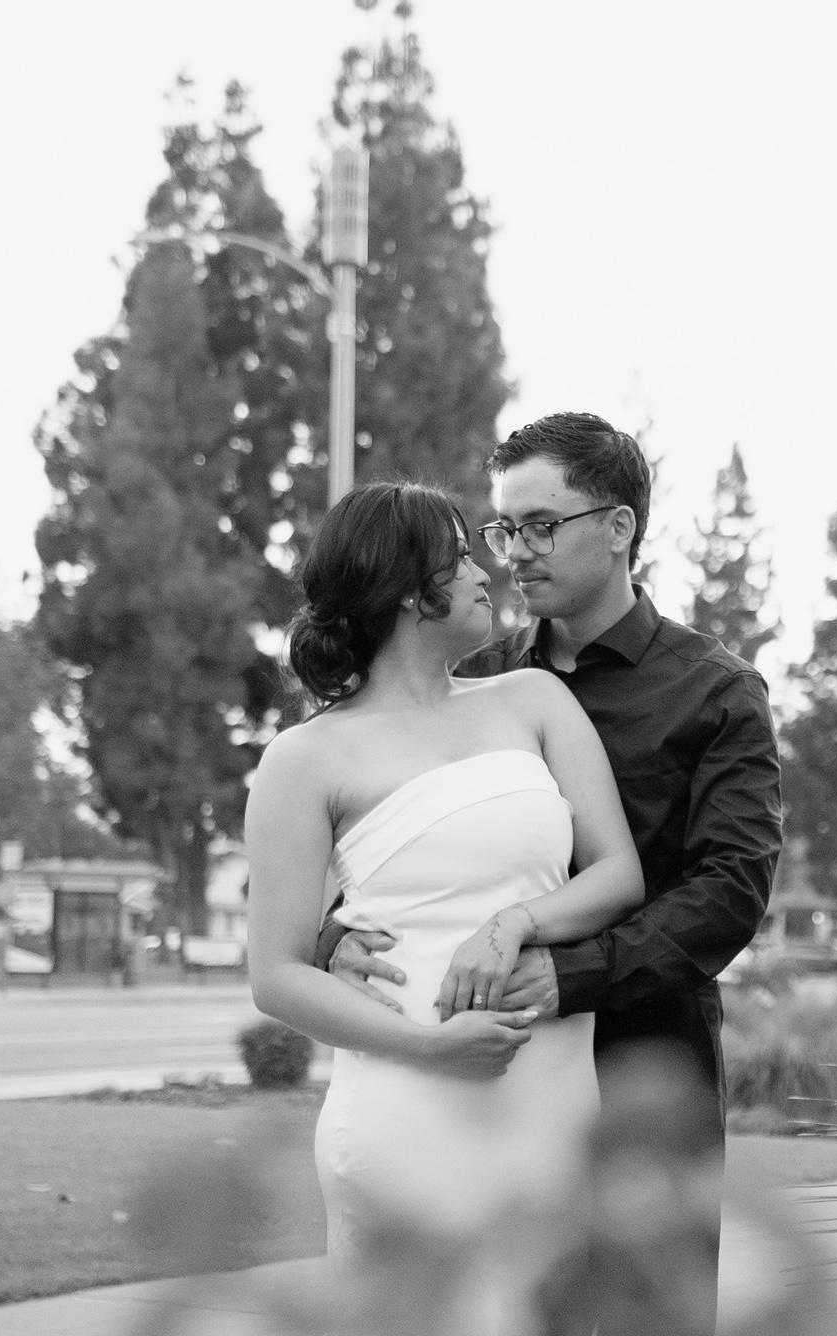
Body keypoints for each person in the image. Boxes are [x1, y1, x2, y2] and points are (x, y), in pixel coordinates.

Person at [319, 412, 784, 1319]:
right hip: (487, 1074)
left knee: (650, 1318)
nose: (515, 553)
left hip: (648, 1073)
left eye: (541, 525)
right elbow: (380, 833)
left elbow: (730, 892)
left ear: (618, 527)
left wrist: (566, 976)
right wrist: (333, 931)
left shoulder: (716, 691)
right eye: (503, 529)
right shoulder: (473, 677)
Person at [245, 481, 644, 1307]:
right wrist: (431, 1049)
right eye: (460, 557)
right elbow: (275, 974)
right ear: (405, 589)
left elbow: (618, 876)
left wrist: (514, 923)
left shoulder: (534, 700)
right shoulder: (303, 759)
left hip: (550, 1105)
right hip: (403, 1111)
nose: (484, 572)